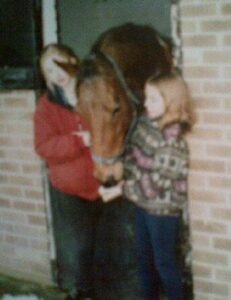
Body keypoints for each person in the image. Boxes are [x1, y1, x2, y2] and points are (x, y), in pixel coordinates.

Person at [100, 69, 195, 300]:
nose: (146, 103)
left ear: (171, 102)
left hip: (162, 211)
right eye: (145, 96)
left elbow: (153, 186)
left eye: (153, 98)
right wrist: (122, 173)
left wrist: (120, 189)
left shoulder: (172, 141)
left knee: (164, 263)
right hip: (142, 204)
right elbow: (132, 156)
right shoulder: (145, 124)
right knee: (144, 260)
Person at [34, 43, 101, 300]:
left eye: (60, 66)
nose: (57, 75)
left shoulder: (93, 92)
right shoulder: (46, 107)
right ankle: (81, 293)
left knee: (102, 245)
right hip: (70, 189)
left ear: (73, 61)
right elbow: (43, 146)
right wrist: (78, 141)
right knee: (81, 246)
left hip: (101, 182)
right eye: (49, 72)